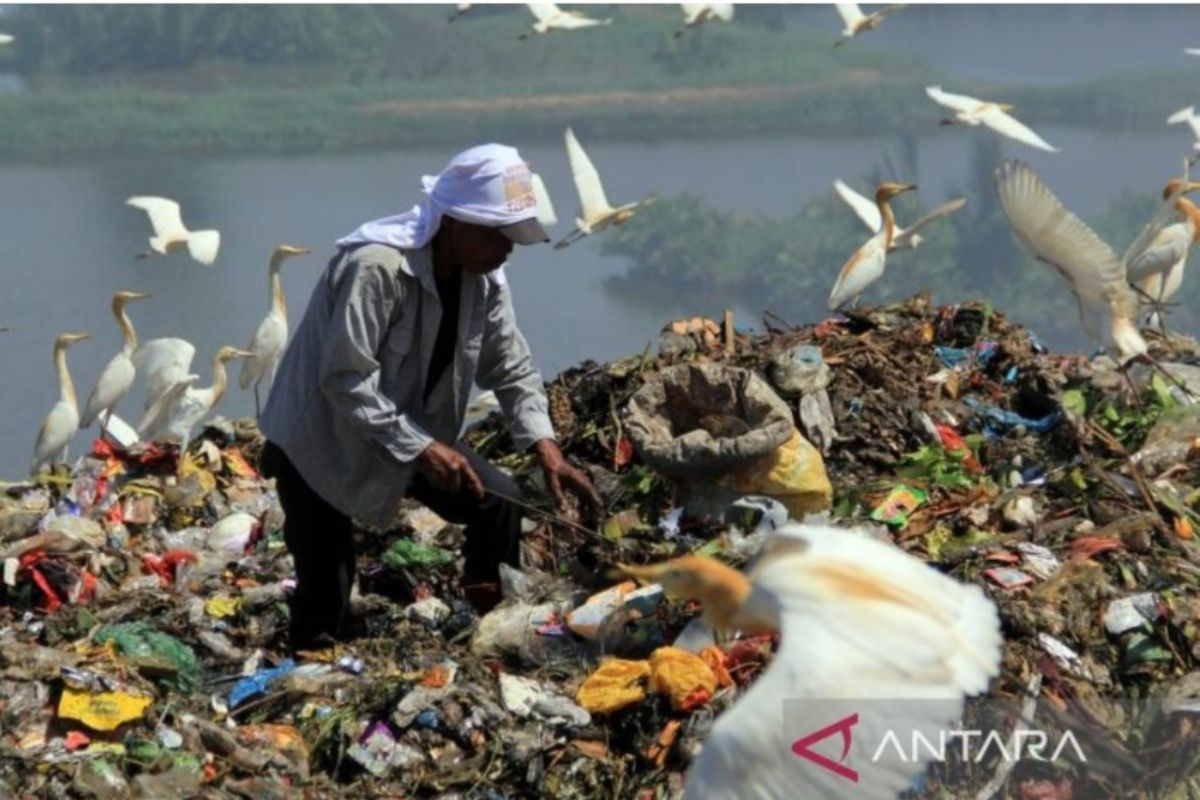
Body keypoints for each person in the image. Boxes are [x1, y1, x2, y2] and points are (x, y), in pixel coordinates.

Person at [258, 143, 601, 650]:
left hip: (412, 431)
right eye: (497, 233)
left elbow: (511, 366)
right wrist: (421, 448)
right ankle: (308, 667)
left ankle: (488, 624)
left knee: (499, 500)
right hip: (321, 442)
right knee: (325, 603)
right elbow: (345, 379)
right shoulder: (376, 268)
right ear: (456, 223)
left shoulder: (484, 283)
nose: (507, 247)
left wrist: (545, 446)